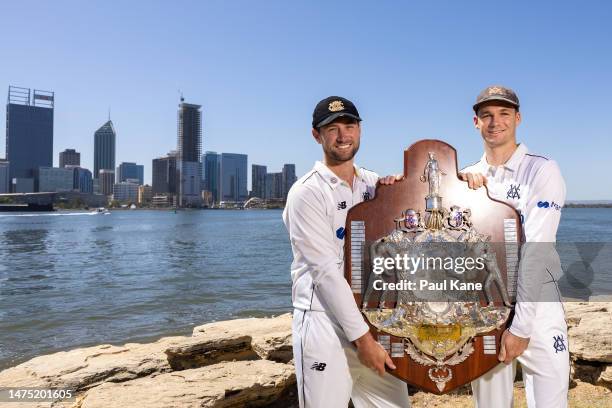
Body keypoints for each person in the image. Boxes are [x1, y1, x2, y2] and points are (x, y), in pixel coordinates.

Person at [282, 96, 410, 407]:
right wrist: (363, 340)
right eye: (333, 129)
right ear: (317, 135)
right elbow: (325, 272)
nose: (343, 135)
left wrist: (396, 191)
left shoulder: (372, 184)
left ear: (360, 129)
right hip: (323, 323)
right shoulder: (307, 192)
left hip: (371, 317)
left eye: (349, 125)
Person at [462, 85, 569, 407]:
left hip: (538, 303)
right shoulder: (467, 177)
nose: (496, 122)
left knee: (551, 401)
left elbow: (535, 251)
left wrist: (521, 327)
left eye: (504, 114)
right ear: (476, 122)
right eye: (487, 116)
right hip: (486, 302)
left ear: (518, 118)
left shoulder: (542, 168)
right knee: (491, 402)